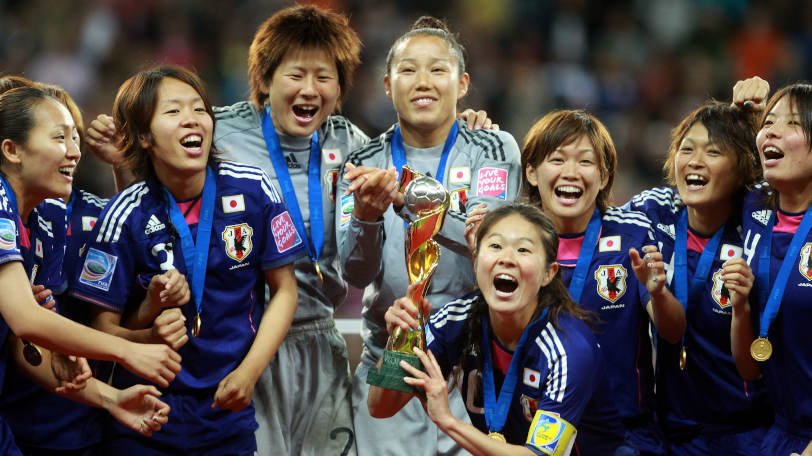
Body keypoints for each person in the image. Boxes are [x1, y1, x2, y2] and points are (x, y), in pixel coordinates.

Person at [71, 65, 304, 455]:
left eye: (199, 108)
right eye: (174, 111)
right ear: (143, 136)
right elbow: (101, 329)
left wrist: (250, 372)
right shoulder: (124, 214)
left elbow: (286, 291)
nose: (192, 119)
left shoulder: (254, 189)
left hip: (226, 408)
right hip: (145, 413)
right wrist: (147, 322)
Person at [337, 16, 521, 456]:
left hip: (471, 365)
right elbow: (355, 272)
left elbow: (490, 245)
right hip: (389, 357)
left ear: (463, 84)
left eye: (438, 69)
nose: (423, 81)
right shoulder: (363, 160)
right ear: (387, 85)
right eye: (408, 69)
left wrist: (407, 197)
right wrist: (364, 214)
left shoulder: (493, 150)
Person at [0, 85, 179, 454]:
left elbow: (26, 343)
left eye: (75, 137)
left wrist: (112, 398)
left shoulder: (46, 220)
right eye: (58, 137)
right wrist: (126, 351)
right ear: (11, 150)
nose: (75, 151)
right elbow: (25, 320)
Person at [507, 109, 685, 455]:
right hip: (534, 430)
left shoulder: (633, 232)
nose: (571, 173)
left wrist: (659, 294)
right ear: (531, 172)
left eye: (585, 162)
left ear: (604, 176)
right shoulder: (513, 238)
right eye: (557, 159)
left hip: (623, 435)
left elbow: (673, 331)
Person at [369, 203, 604, 455]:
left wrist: (448, 421)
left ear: (548, 273)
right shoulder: (455, 320)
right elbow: (380, 407)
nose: (506, 258)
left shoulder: (569, 349)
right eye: (495, 246)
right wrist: (400, 338)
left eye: (523, 249)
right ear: (475, 260)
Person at [626, 96, 772, 454]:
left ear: (743, 167)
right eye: (685, 149)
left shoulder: (759, 221)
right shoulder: (653, 210)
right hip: (671, 429)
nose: (694, 161)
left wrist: (764, 117)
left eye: (713, 152)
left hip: (747, 430)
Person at [731, 80, 812, 455]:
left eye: (793, 123)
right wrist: (741, 309)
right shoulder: (754, 209)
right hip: (778, 435)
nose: (772, 131)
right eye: (769, 122)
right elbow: (750, 369)